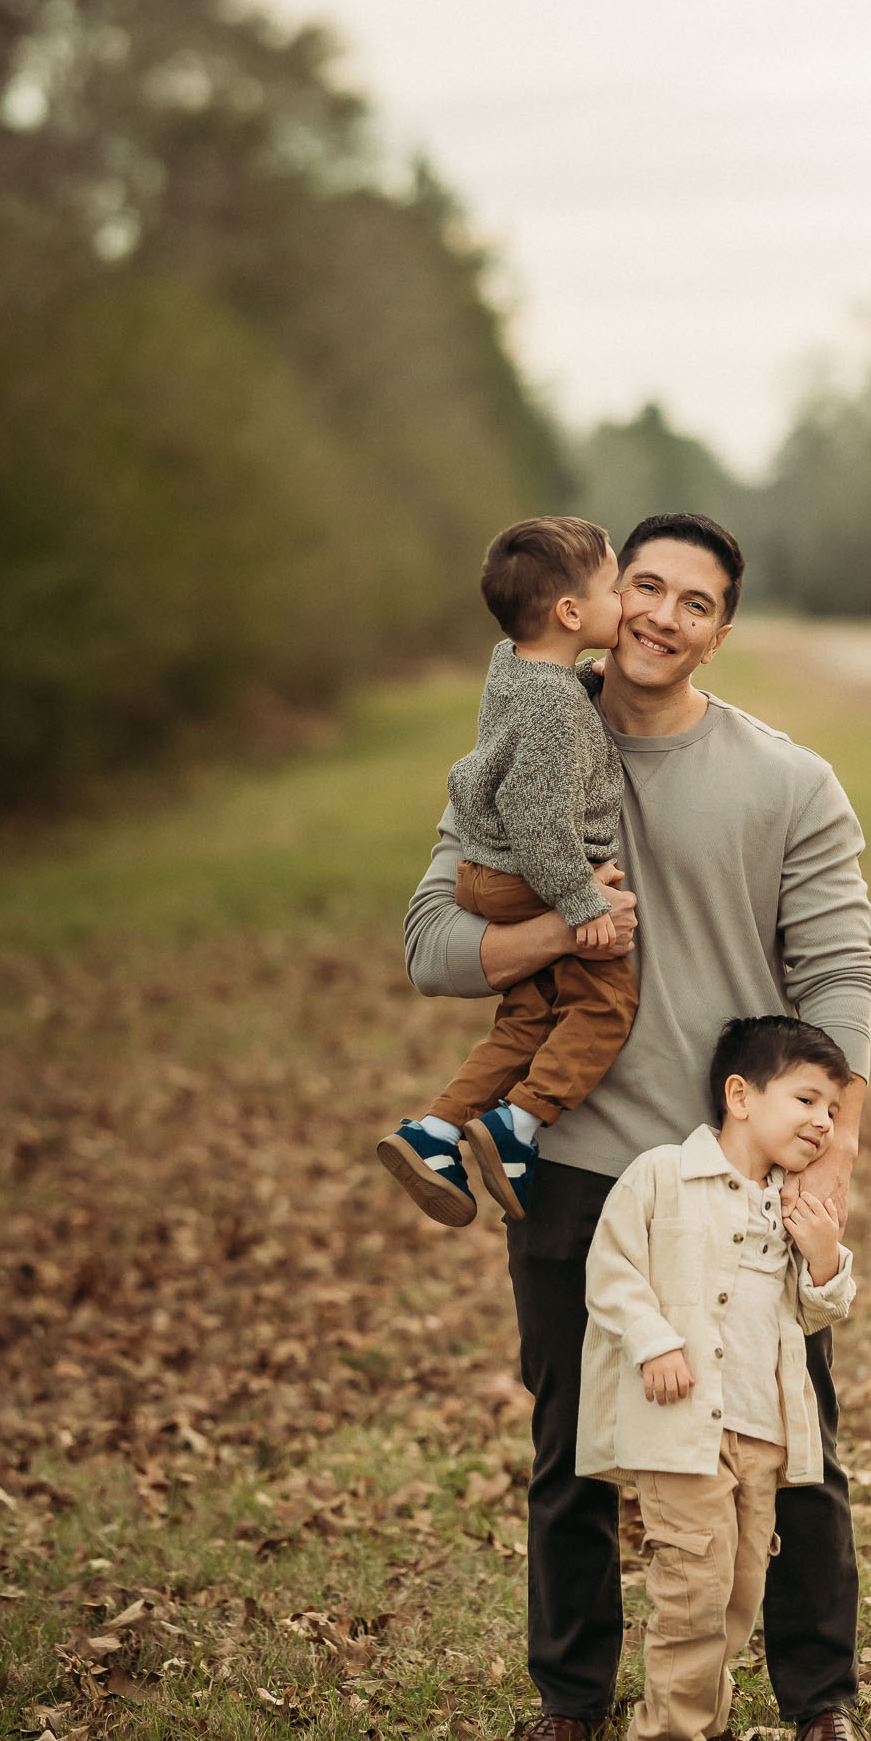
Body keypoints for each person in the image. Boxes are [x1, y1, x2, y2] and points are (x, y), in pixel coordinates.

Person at [405, 510, 871, 1741]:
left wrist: (824, 1155)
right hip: (572, 1163)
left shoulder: (787, 781)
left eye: (694, 600)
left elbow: (837, 977)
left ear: (722, 631)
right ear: (597, 603)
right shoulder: (525, 745)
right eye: (646, 586)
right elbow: (432, 944)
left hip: (737, 1175)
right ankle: (571, 1702)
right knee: (570, 1451)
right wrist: (562, 932)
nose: (662, 615)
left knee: (787, 1449)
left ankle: (818, 1697)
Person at [577, 1016, 857, 1741]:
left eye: (832, 1111)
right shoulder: (662, 1175)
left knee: (738, 1593)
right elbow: (612, 1270)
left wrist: (826, 1258)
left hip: (762, 1435)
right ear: (740, 1094)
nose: (822, 1122)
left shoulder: (795, 1207)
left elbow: (813, 1311)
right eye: (806, 1099)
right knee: (692, 1588)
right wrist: (654, 1341)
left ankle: (696, 1713)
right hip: (680, 1431)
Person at [379, 516, 635, 1225]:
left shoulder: (514, 665)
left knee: (526, 1019)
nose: (625, 605)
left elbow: (537, 717)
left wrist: (586, 679)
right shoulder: (554, 705)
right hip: (528, 877)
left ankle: (432, 1133)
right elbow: (537, 819)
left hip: (484, 871)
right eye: (615, 588)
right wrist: (582, 909)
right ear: (571, 612)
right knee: (603, 1005)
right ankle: (516, 1126)